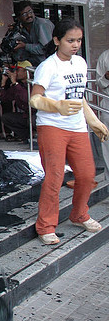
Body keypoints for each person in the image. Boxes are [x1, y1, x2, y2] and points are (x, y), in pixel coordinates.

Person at [29, 18, 108, 245]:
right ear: (57, 40)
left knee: (86, 175)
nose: (75, 45)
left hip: (77, 128)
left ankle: (79, 214)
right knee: (55, 177)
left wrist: (92, 121)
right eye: (70, 40)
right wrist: (56, 106)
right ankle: (45, 225)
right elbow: (35, 99)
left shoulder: (80, 63)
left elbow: (78, 96)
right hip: (52, 127)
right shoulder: (48, 66)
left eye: (79, 41)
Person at [11, 0, 54, 66]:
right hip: (34, 66)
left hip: (50, 66)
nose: (29, 15)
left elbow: (45, 49)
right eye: (24, 14)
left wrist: (25, 46)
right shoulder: (20, 29)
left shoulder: (42, 24)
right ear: (18, 18)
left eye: (30, 12)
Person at [0, 63, 33, 143]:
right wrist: (3, 84)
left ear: (26, 72)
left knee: (34, 119)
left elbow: (26, 99)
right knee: (6, 118)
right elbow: (4, 99)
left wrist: (15, 83)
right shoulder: (16, 85)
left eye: (17, 70)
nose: (15, 73)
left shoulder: (34, 82)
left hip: (37, 115)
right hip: (26, 115)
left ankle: (35, 134)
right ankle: (27, 137)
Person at [95, 48, 109, 180]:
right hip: (108, 103)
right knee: (107, 143)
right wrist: (106, 77)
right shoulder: (105, 56)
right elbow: (98, 81)